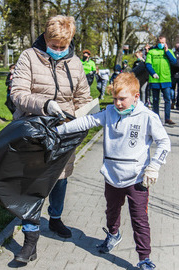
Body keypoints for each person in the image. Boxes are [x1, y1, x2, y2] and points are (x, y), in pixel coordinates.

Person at [56, 72, 171, 270]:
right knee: (111, 212)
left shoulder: (148, 117)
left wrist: (154, 166)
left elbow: (164, 142)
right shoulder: (109, 112)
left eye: (122, 99)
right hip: (112, 176)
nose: (118, 103)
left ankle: (144, 258)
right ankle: (113, 234)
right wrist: (59, 130)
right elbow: (87, 122)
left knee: (140, 219)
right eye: (115, 98)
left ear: (136, 96)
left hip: (137, 179)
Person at [10, 15, 92, 263]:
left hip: (65, 130)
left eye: (62, 47)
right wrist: (46, 104)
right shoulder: (29, 57)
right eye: (53, 45)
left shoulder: (76, 63)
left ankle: (55, 219)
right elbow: (18, 93)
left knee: (60, 178)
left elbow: (84, 98)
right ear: (45, 38)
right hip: (33, 128)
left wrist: (79, 117)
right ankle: (30, 240)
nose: (57, 50)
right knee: (32, 184)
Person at [146, 36, 177, 125]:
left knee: (167, 99)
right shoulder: (151, 52)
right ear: (157, 42)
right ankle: (156, 118)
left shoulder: (169, 51)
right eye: (160, 42)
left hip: (166, 79)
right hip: (155, 80)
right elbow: (148, 64)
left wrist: (167, 52)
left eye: (163, 42)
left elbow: (174, 62)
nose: (161, 44)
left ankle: (167, 118)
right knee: (155, 100)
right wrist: (153, 73)